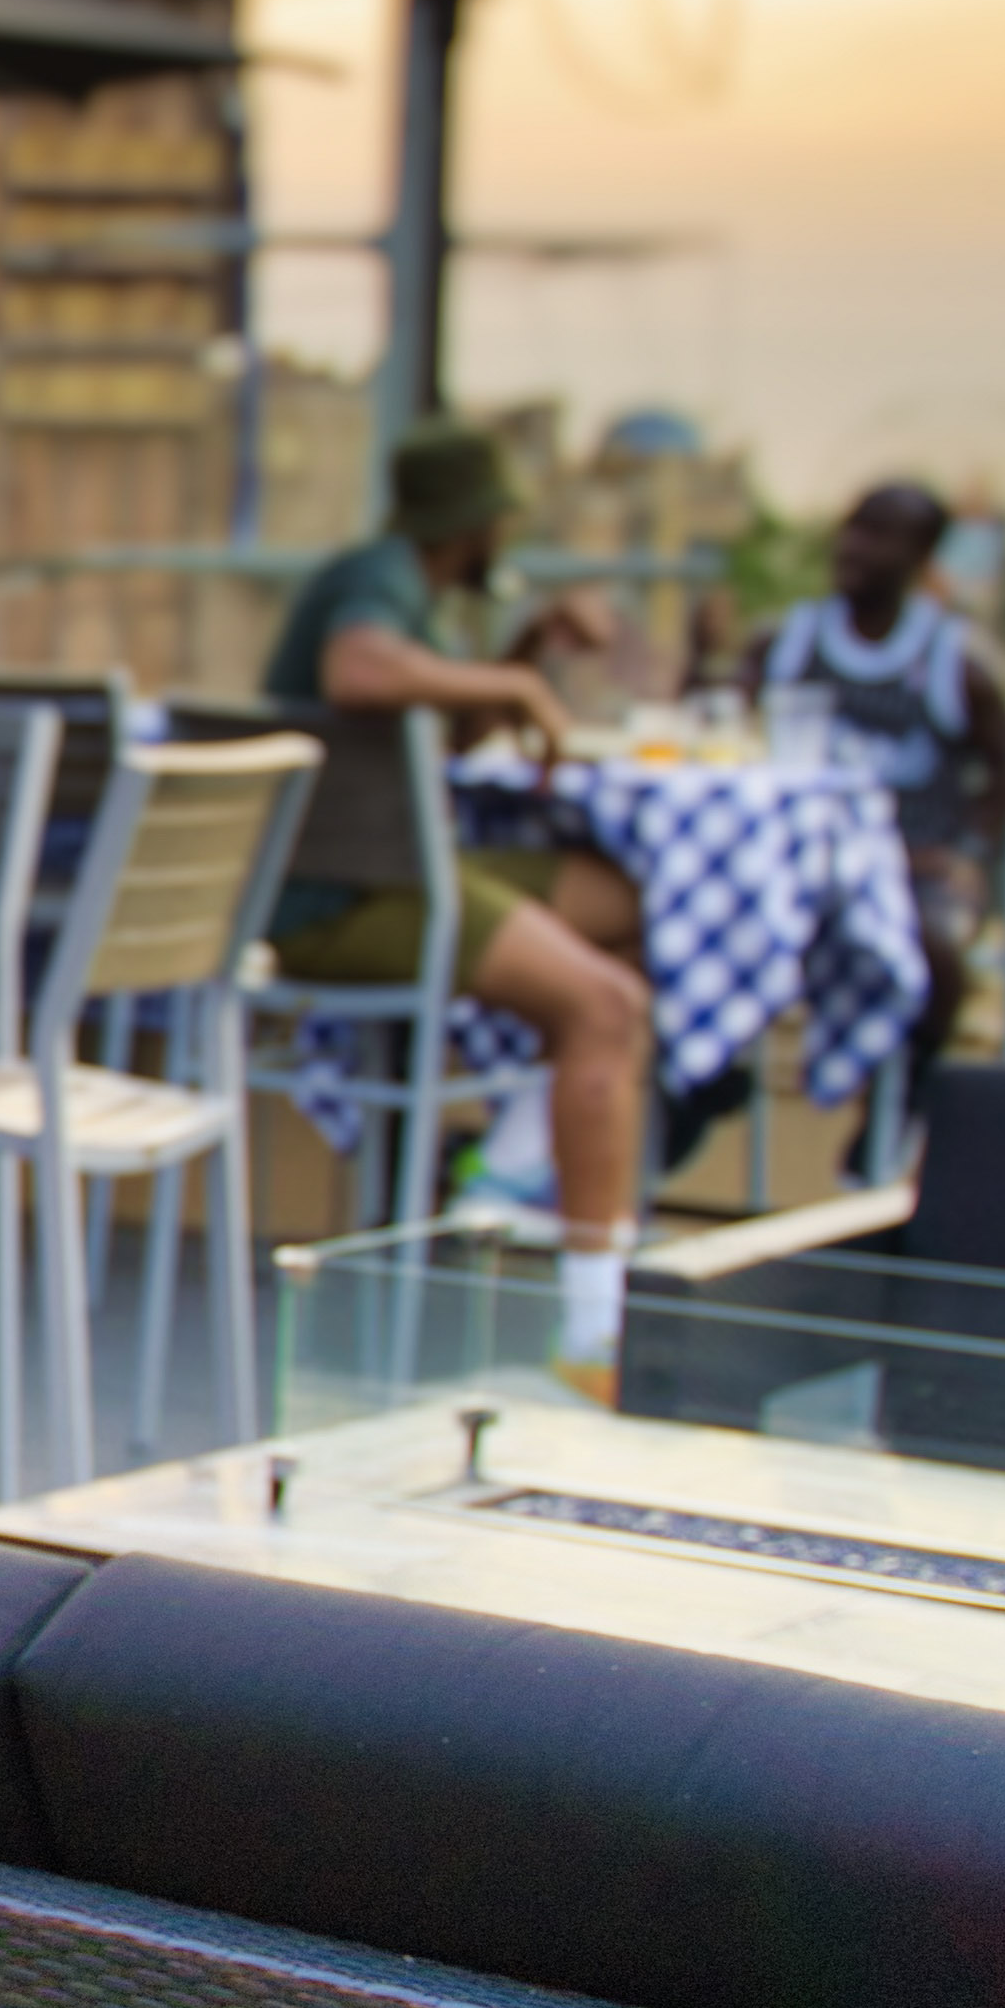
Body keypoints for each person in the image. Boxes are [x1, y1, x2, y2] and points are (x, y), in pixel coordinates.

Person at [265, 420, 655, 1377]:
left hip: (407, 875)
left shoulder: (420, 594)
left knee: (636, 902)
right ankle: (593, 1330)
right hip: (350, 899)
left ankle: (520, 1149)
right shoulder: (381, 576)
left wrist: (527, 653)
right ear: (471, 525)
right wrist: (518, 680)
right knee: (608, 1005)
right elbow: (356, 670)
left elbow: (448, 723)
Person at [754, 479, 1005, 1058]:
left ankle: (902, 1107)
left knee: (935, 955)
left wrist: (972, 851)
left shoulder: (956, 660)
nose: (853, 548)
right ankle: (705, 1085)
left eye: (877, 536)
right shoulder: (786, 644)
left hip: (910, 867)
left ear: (920, 557)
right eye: (851, 529)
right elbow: (715, 725)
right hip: (791, 862)